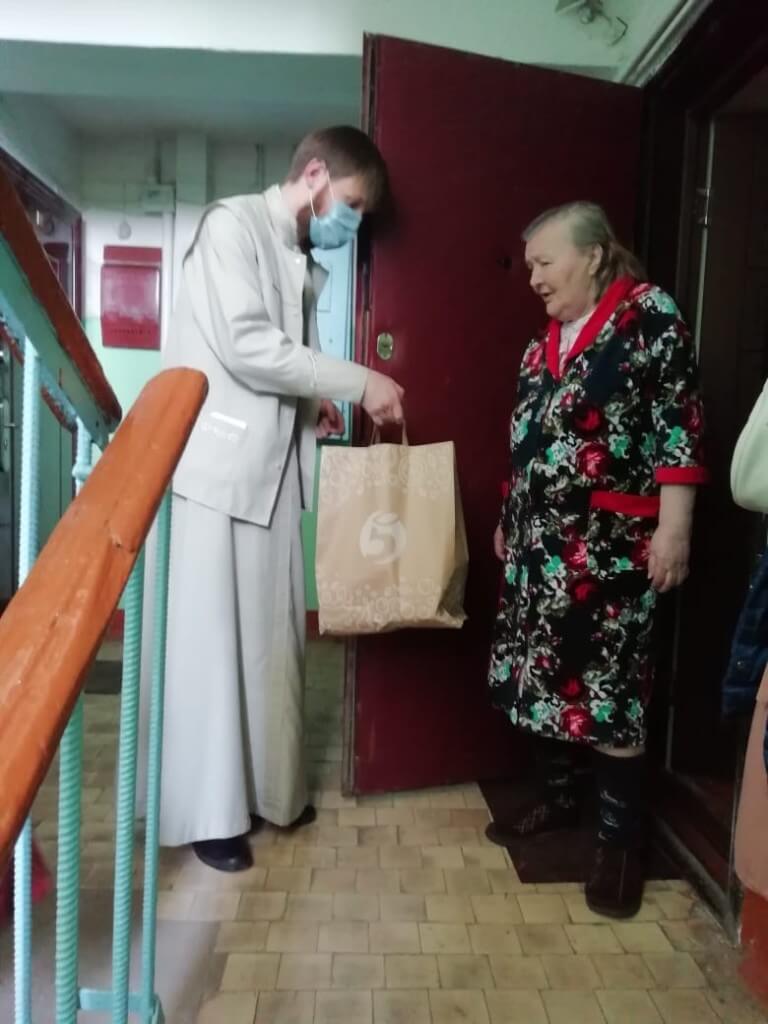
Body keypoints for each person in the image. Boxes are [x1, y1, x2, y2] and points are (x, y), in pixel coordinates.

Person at [150, 126, 404, 872]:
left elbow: (284, 362)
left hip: (270, 473)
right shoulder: (229, 227)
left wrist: (311, 404)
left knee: (271, 645)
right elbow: (246, 346)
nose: (350, 222)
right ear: (315, 174)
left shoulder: (295, 253)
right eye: (352, 204)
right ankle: (210, 817)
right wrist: (359, 381)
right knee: (212, 653)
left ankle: (269, 790)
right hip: (216, 473)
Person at [487, 201, 707, 918]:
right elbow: (526, 439)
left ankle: (619, 844)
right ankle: (557, 800)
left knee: (610, 690)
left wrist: (674, 528)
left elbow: (678, 426)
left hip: (609, 546)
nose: (534, 278)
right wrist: (509, 515)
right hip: (538, 545)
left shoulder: (650, 318)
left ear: (593, 255)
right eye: (530, 266)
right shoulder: (541, 344)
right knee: (542, 675)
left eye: (545, 262)